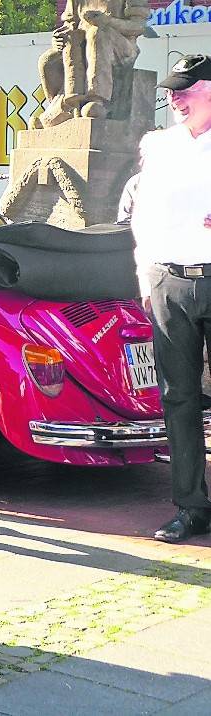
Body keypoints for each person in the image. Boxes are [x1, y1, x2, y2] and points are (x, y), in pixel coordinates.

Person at [130, 54, 211, 543]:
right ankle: (191, 505)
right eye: (171, 92)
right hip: (167, 279)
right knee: (178, 397)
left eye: (185, 89)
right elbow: (143, 214)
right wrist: (145, 278)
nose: (175, 99)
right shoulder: (158, 145)